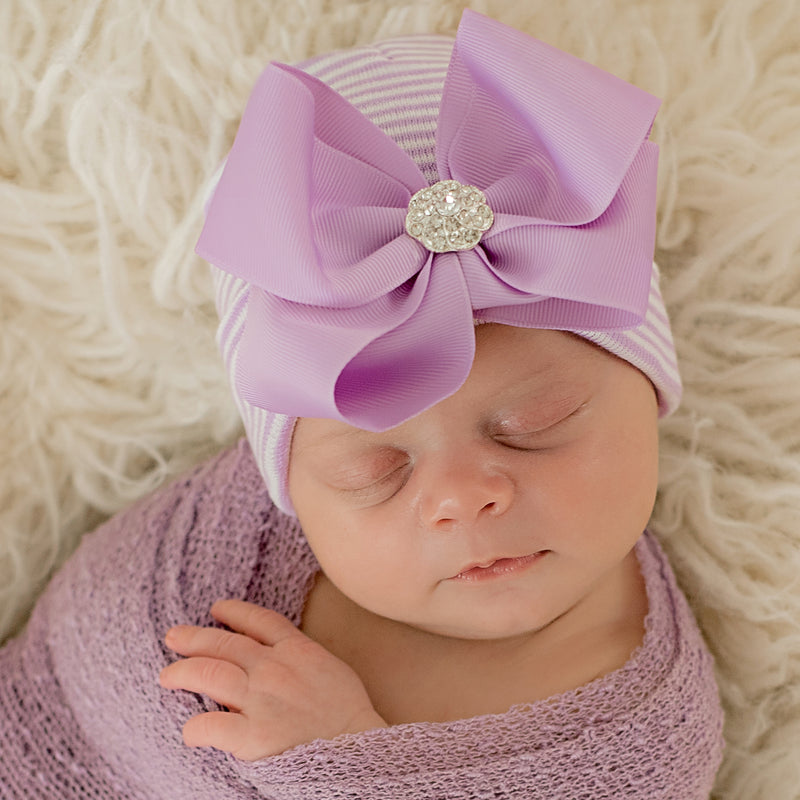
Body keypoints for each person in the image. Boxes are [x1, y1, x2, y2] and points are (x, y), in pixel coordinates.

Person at [0, 10, 724, 799]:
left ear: (649, 392)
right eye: (373, 471)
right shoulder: (207, 559)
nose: (462, 496)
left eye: (533, 427)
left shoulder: (644, 748)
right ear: (289, 488)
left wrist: (343, 763)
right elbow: (91, 644)